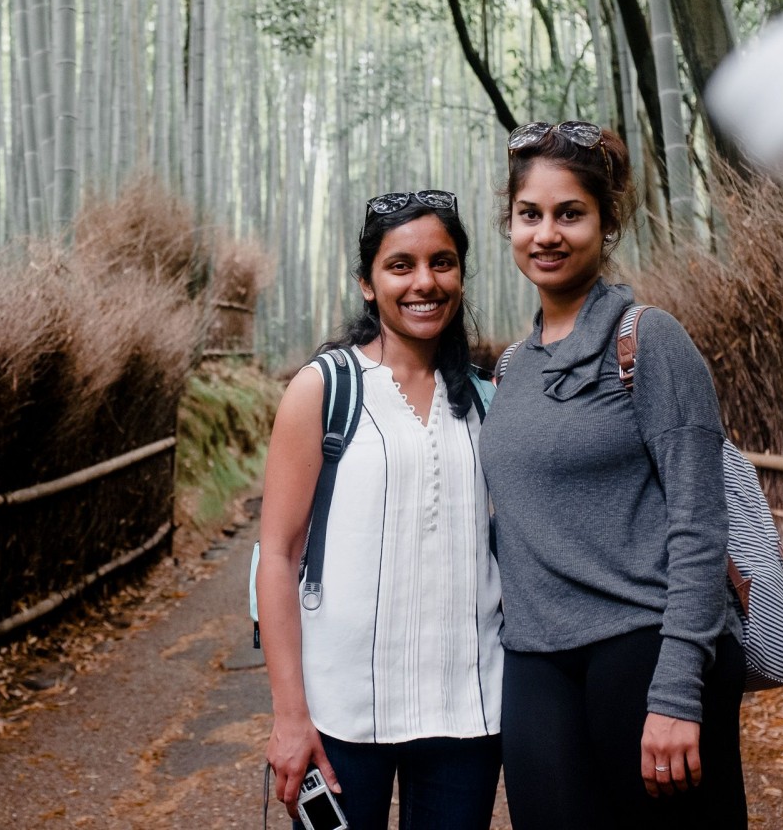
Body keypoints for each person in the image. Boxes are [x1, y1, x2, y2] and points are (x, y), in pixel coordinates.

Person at [481, 121, 747, 830]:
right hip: (536, 660)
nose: (547, 234)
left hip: (644, 645)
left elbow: (699, 521)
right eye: (530, 214)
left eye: (570, 214)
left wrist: (678, 689)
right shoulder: (512, 368)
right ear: (509, 225)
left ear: (606, 224)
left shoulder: (648, 339)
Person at [257, 190, 503, 829]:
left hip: (468, 708)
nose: (425, 282)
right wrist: (290, 715)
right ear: (367, 283)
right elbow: (277, 556)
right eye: (401, 265)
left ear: (461, 275)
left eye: (442, 262)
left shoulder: (486, 398)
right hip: (341, 713)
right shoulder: (325, 388)